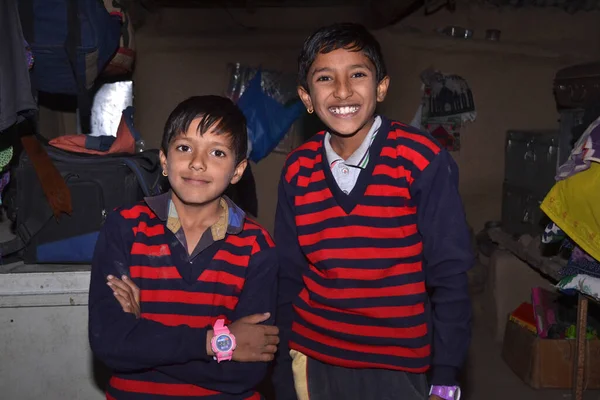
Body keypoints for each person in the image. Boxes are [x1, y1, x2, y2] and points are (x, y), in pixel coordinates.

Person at [273, 23, 472, 400]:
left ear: (381, 87)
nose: (343, 90)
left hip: (398, 363)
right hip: (314, 356)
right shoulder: (298, 169)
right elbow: (288, 274)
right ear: (307, 97)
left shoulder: (419, 160)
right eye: (325, 77)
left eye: (358, 75)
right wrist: (283, 366)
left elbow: (450, 273)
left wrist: (446, 375)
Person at [88, 95, 279, 400]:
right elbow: (109, 344)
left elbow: (246, 372)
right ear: (164, 160)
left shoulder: (256, 247)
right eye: (184, 148)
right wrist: (215, 343)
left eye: (217, 152)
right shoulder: (124, 228)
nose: (197, 163)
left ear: (238, 170)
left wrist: (140, 339)